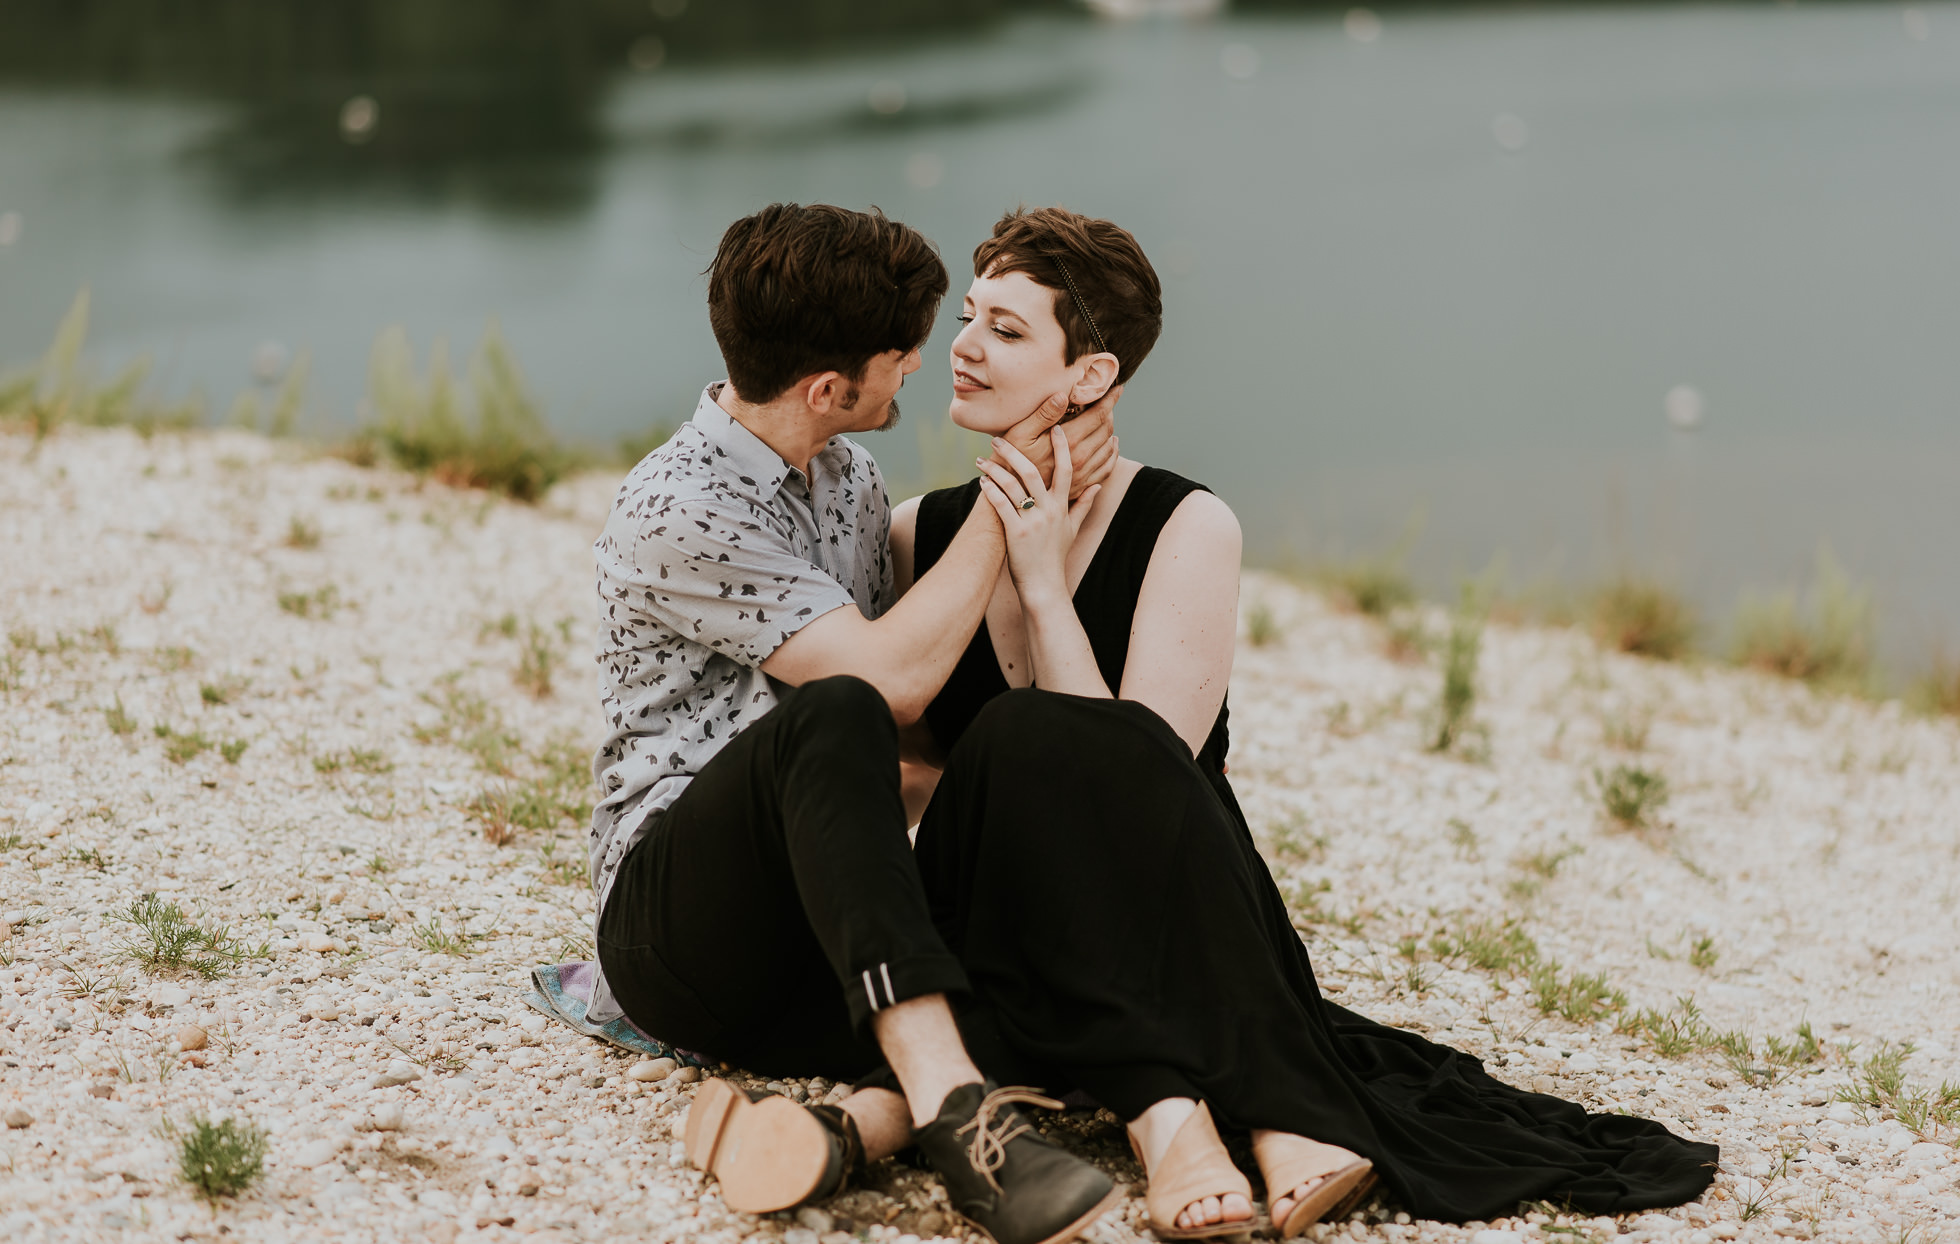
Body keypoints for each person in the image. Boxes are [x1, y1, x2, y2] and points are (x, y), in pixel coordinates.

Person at [892, 206, 1721, 1234]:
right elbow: (906, 760)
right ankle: (1231, 1110)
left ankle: (1219, 1112)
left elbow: (1137, 781)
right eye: (970, 317)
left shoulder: (1186, 529)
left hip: (1161, 901)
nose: (962, 347)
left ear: (1091, 377)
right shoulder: (913, 536)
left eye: (1007, 331)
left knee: (1057, 744)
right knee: (1010, 748)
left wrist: (1043, 584)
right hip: (998, 912)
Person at [587, 203, 1128, 1244]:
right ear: (829, 388)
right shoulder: (677, 510)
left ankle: (837, 1132)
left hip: (820, 920)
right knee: (841, 707)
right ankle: (959, 1116)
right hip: (674, 932)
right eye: (902, 352)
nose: (924, 364)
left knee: (1056, 978)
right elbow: (885, 691)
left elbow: (901, 764)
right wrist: (1010, 491)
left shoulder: (849, 480)